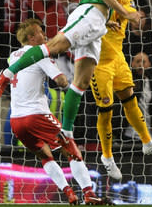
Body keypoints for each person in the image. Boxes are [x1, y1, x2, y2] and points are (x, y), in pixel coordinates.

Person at [0, 0, 140, 145]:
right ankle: (4, 76)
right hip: (89, 16)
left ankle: (67, 132)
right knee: (51, 47)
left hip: (95, 22)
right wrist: (125, 12)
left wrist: (104, 20)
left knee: (80, 83)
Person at [8, 18, 108, 205]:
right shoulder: (39, 54)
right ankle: (89, 193)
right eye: (40, 32)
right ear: (31, 37)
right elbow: (61, 80)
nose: (44, 35)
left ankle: (69, 192)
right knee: (71, 149)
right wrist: (73, 85)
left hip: (16, 120)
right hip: (36, 114)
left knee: (45, 155)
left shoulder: (12, 56)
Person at [90, 0, 152, 180]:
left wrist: (108, 17)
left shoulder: (127, 1)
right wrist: (102, 22)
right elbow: (83, 25)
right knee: (106, 108)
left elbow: (132, 15)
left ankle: (147, 142)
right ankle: (107, 156)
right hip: (99, 62)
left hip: (118, 58)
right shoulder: (92, 3)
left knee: (131, 99)